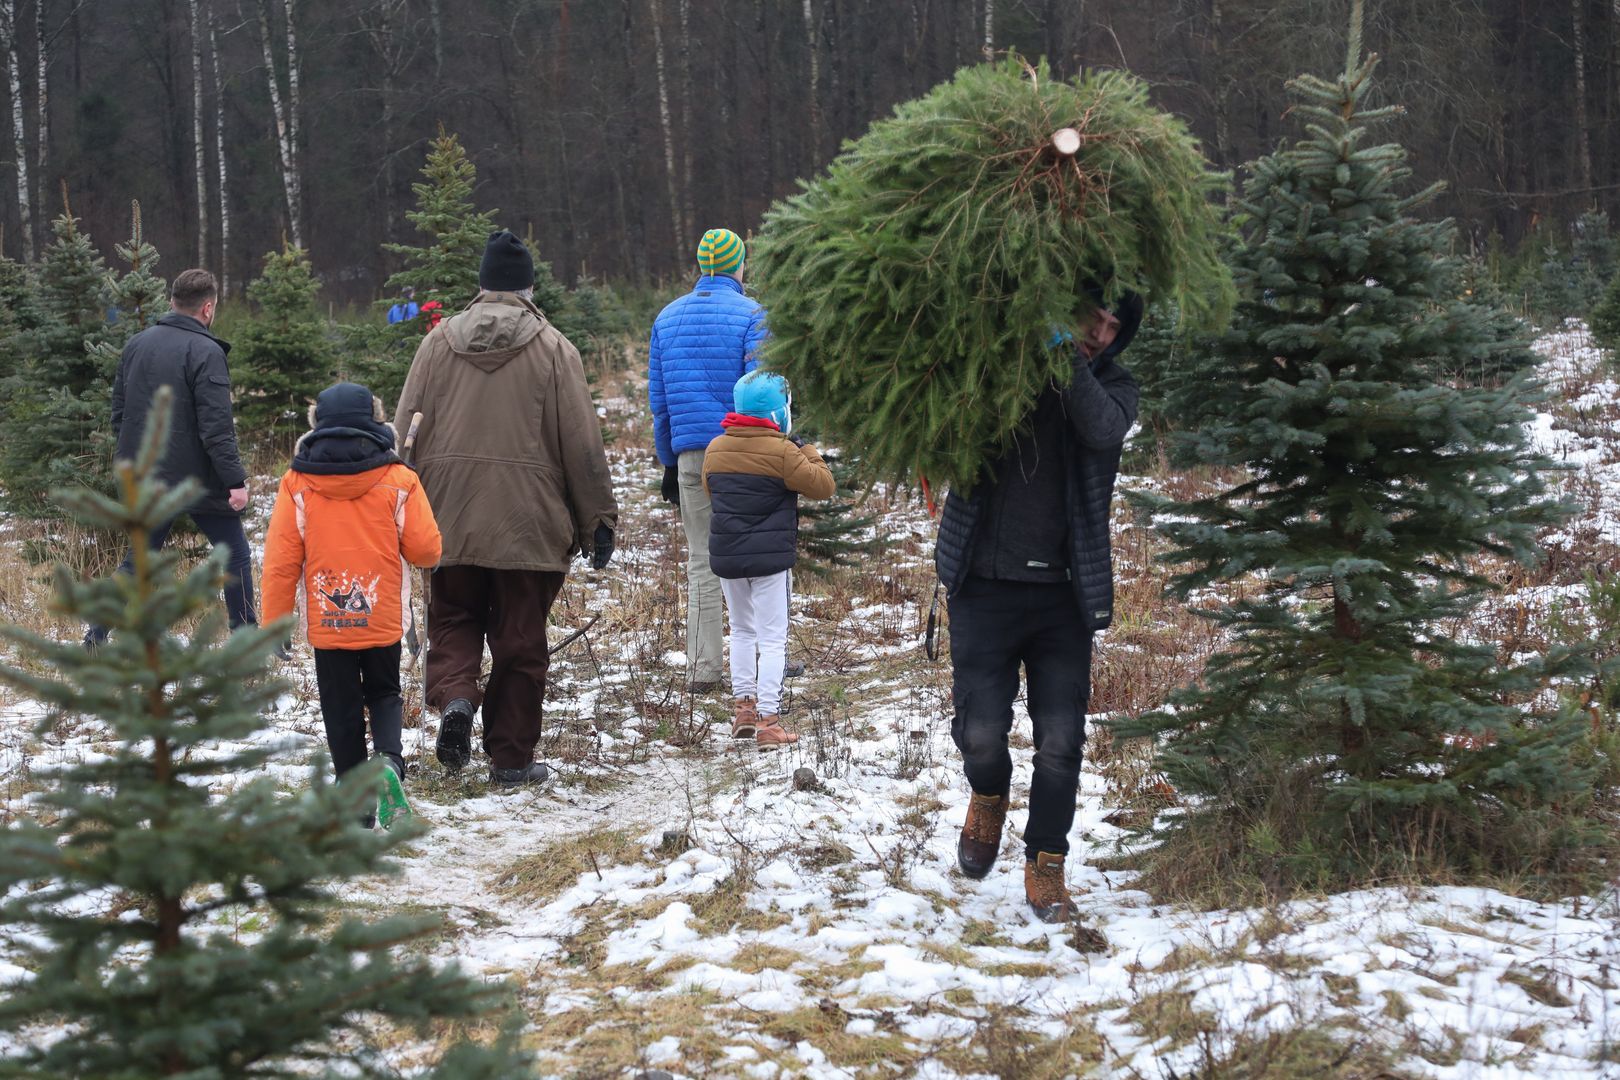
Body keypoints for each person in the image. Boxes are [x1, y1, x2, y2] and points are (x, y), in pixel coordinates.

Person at [934, 287, 1143, 923]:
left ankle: (1046, 862)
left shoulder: (1114, 389)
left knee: (1060, 741)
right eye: (1093, 317)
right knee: (979, 733)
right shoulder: (1006, 365)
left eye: (1113, 327)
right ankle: (988, 792)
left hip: (1062, 597)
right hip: (985, 584)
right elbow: (958, 414)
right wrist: (1026, 342)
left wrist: (1068, 361)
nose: (1100, 333)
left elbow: (1101, 427)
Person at [394, 230, 618, 787]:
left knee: (453, 620)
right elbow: (581, 444)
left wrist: (395, 508)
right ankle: (512, 760)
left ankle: (457, 701)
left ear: (481, 285)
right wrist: (598, 518)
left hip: (448, 518)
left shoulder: (436, 344)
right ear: (529, 287)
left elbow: (406, 434)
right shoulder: (555, 349)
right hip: (529, 523)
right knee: (520, 641)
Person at [260, 383, 442, 806]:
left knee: (339, 705)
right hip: (381, 615)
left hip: (329, 618)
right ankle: (388, 762)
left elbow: (281, 561)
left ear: (316, 424)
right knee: (383, 691)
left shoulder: (297, 483)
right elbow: (427, 549)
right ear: (377, 420)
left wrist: (275, 623)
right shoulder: (399, 478)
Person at [88, 269, 258, 649]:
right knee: (235, 556)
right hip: (198, 479)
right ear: (208, 308)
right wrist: (234, 480)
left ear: (172, 301)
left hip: (147, 472)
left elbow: (119, 411)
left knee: (139, 560)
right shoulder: (207, 351)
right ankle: (246, 643)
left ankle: (96, 636)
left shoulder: (136, 343)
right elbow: (216, 426)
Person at [648, 227, 769, 692]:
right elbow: (762, 394)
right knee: (756, 560)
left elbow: (660, 401)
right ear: (739, 265)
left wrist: (669, 461)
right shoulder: (753, 315)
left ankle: (703, 668)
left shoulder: (667, 319)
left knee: (702, 561)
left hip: (692, 456)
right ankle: (764, 660)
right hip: (746, 454)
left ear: (701, 266)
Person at [702, 371, 834, 749]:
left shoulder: (715, 448)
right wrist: (806, 448)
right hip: (770, 562)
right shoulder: (783, 451)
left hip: (727, 557)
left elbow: (711, 490)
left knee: (742, 630)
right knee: (773, 640)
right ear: (779, 413)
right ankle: (769, 721)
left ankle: (744, 708)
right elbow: (823, 486)